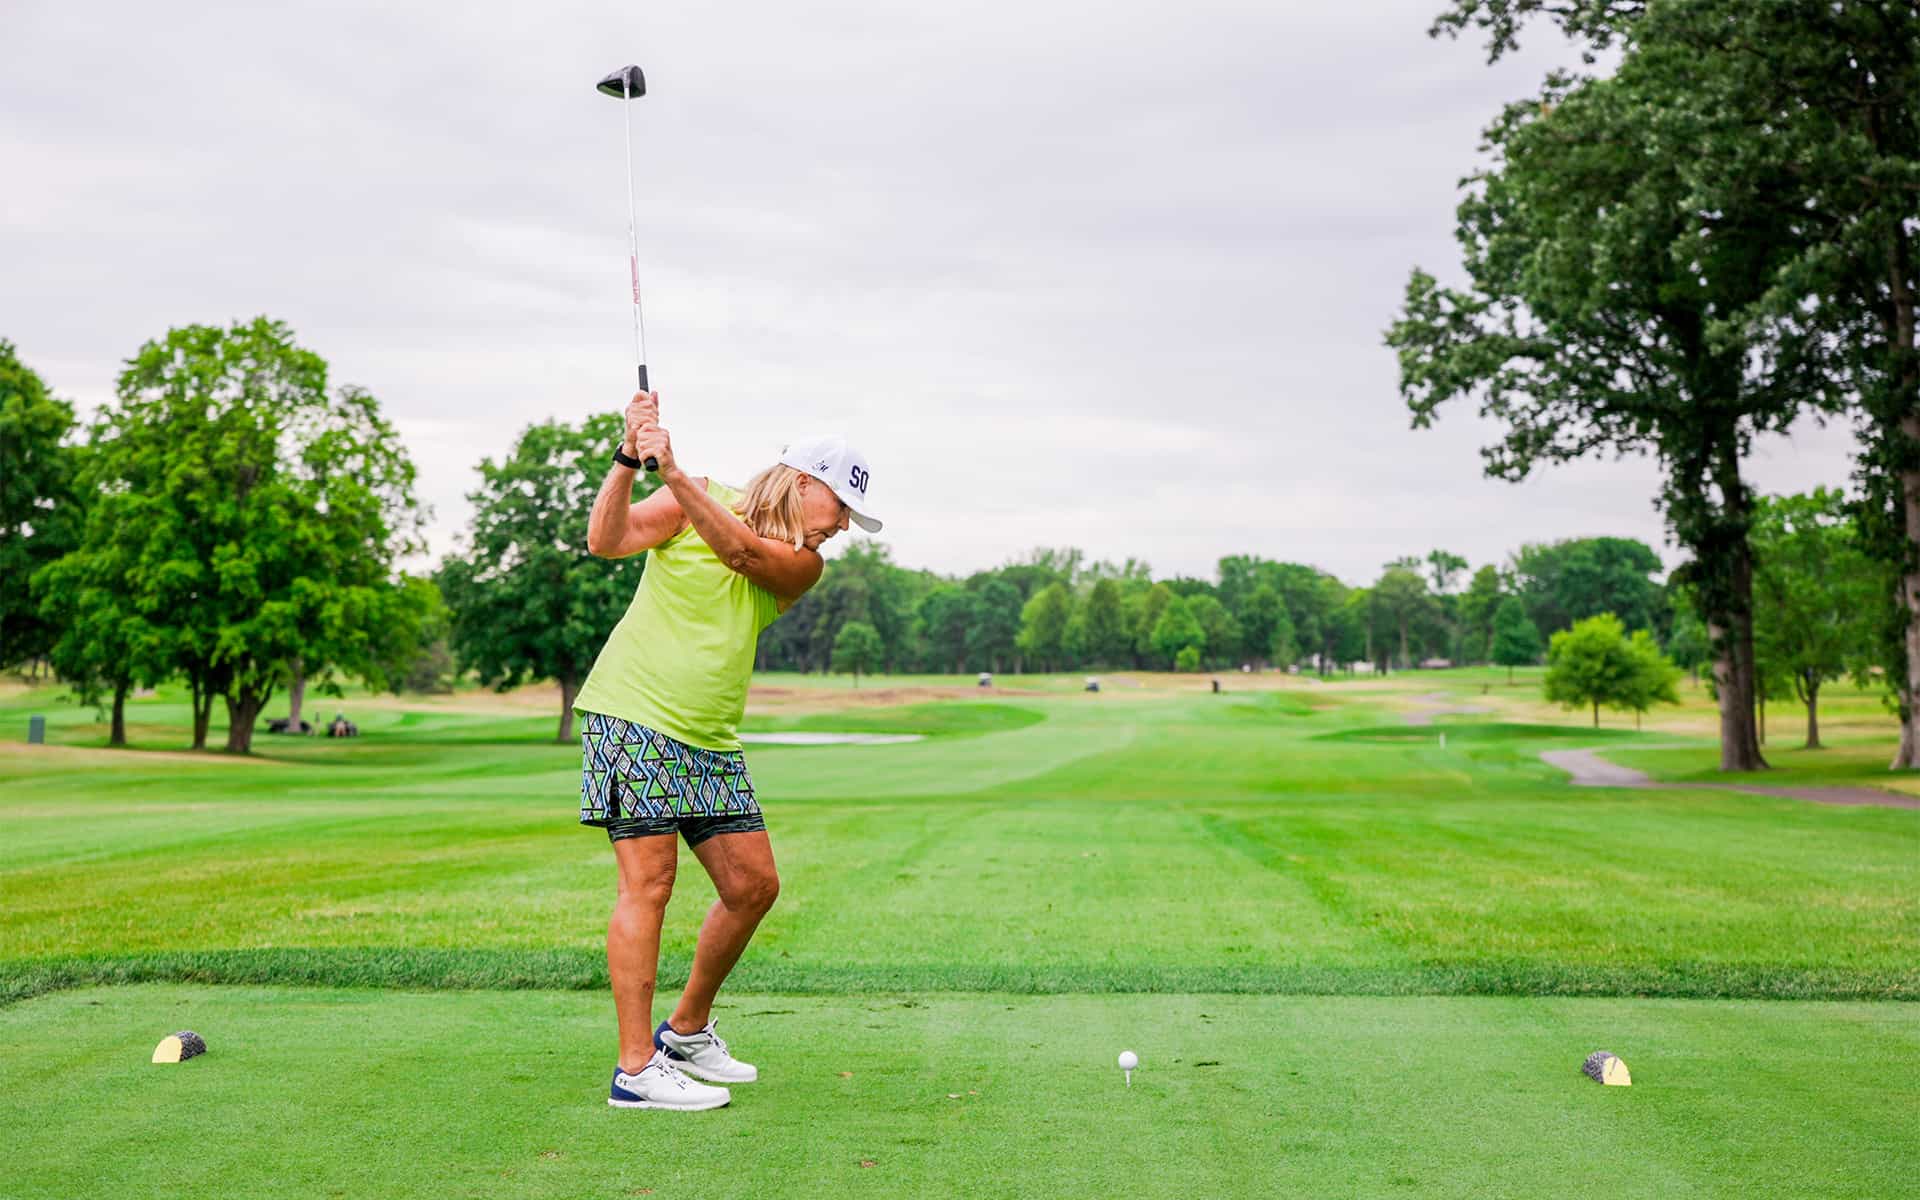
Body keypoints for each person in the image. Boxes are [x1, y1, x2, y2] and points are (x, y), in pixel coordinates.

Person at [576, 390, 881, 1112]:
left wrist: (674, 472)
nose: (843, 526)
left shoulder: (802, 564)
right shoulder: (693, 499)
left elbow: (741, 552)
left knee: (753, 886)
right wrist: (628, 458)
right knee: (649, 885)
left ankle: (685, 1030)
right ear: (803, 483)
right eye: (841, 507)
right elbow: (606, 540)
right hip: (634, 714)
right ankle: (636, 1070)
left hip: (710, 738)